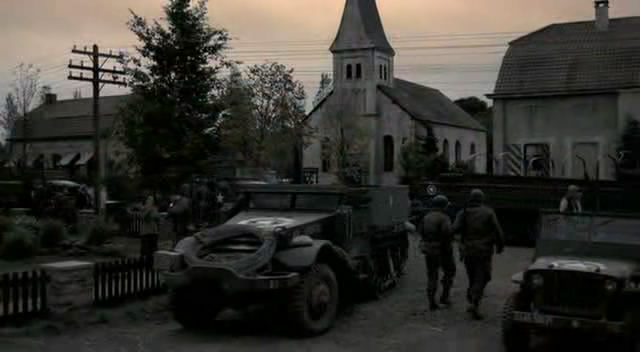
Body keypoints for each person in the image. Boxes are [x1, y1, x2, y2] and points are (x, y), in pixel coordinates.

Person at [452, 189, 504, 320]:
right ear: (482, 199)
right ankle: (475, 301)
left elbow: (454, 229)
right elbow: (498, 231)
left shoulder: (463, 212)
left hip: (468, 251)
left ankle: (472, 298)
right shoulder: (489, 212)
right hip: (484, 251)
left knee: (472, 276)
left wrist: (460, 240)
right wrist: (500, 246)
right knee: (483, 277)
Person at [420, 195, 456, 311]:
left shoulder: (426, 217)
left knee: (432, 276)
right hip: (442, 250)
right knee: (449, 272)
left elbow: (421, 232)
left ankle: (431, 301)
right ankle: (444, 297)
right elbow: (447, 233)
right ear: (443, 206)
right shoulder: (444, 217)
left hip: (429, 249)